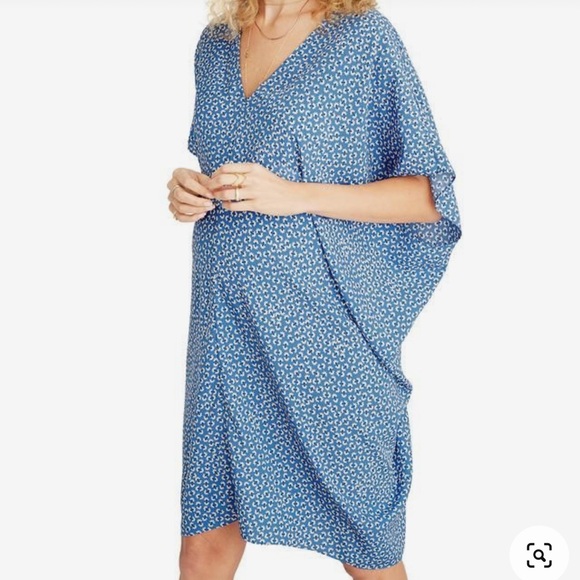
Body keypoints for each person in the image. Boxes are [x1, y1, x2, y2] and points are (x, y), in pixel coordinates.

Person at [166, 0, 462, 578]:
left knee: (368, 549)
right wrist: (187, 191)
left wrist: (297, 194)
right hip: (224, 330)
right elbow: (226, 167)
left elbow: (431, 197)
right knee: (203, 549)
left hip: (322, 336)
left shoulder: (362, 39)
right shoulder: (217, 45)